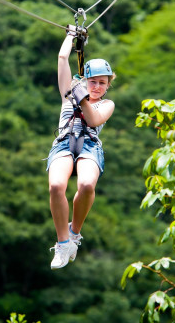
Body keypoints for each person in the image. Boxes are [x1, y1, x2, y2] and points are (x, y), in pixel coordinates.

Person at [46, 31, 115, 269]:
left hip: (89, 145)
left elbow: (94, 120)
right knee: (56, 186)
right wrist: (70, 35)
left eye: (102, 83)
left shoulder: (107, 104)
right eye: (93, 81)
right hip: (65, 141)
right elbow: (62, 59)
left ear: (107, 86)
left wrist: (83, 97)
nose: (96, 87)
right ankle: (63, 243)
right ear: (85, 80)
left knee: (86, 185)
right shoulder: (68, 94)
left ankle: (74, 232)